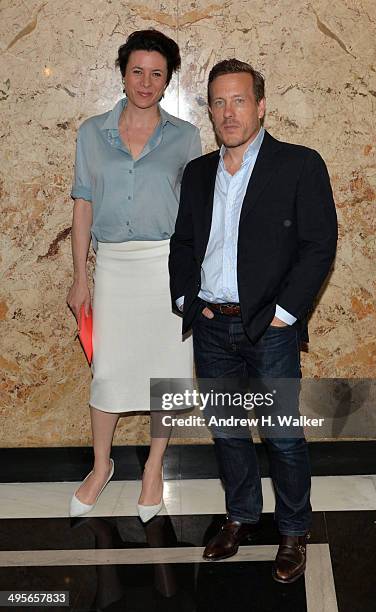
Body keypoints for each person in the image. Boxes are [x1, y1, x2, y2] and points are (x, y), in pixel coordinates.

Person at [169, 58, 337, 582]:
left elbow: (318, 244)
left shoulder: (299, 164)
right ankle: (240, 516)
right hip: (212, 326)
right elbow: (185, 244)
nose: (228, 112)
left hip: (269, 329)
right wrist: (185, 301)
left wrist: (286, 313)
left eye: (238, 100)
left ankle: (293, 531)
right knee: (227, 433)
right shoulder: (198, 173)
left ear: (260, 106)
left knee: (283, 436)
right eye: (218, 102)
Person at [67, 29, 201, 522]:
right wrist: (80, 277)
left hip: (166, 267)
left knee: (164, 374)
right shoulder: (90, 132)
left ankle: (153, 467)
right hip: (115, 269)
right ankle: (100, 467)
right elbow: (83, 205)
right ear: (123, 73)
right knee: (108, 371)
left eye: (157, 73)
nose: (146, 82)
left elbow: (193, 213)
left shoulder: (185, 136)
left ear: (168, 81)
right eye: (137, 70)